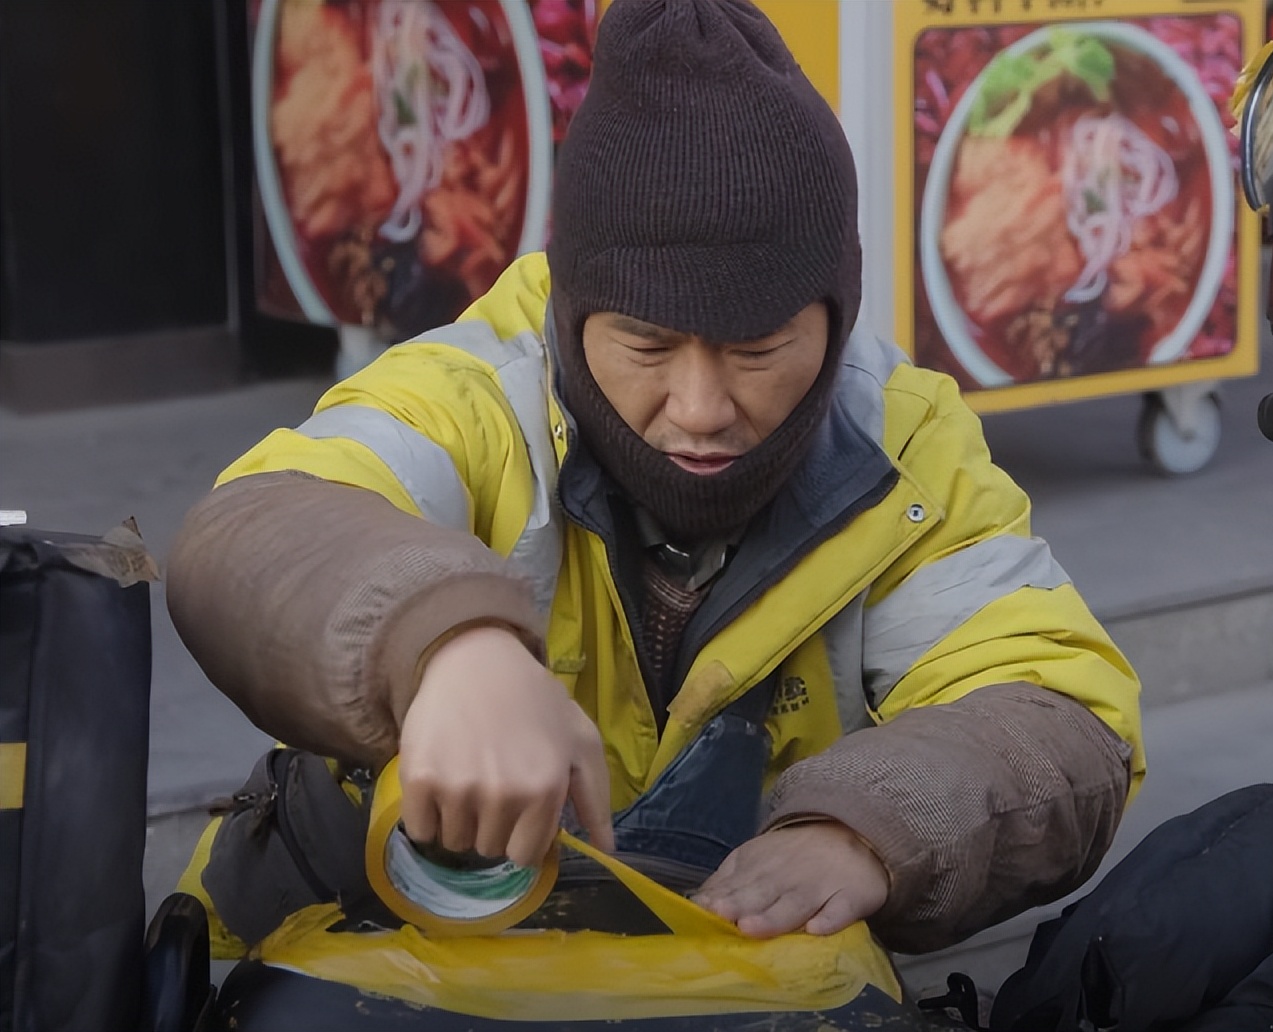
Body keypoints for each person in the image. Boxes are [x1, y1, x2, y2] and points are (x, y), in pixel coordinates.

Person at [168, 0, 1142, 954]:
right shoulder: (472, 395)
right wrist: (446, 645)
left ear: (835, 316)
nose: (700, 407)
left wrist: (867, 831)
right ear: (574, 311)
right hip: (348, 948)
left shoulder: (901, 444)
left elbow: (1058, 711)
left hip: (711, 979)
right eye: (645, 343)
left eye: (759, 348)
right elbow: (251, 531)